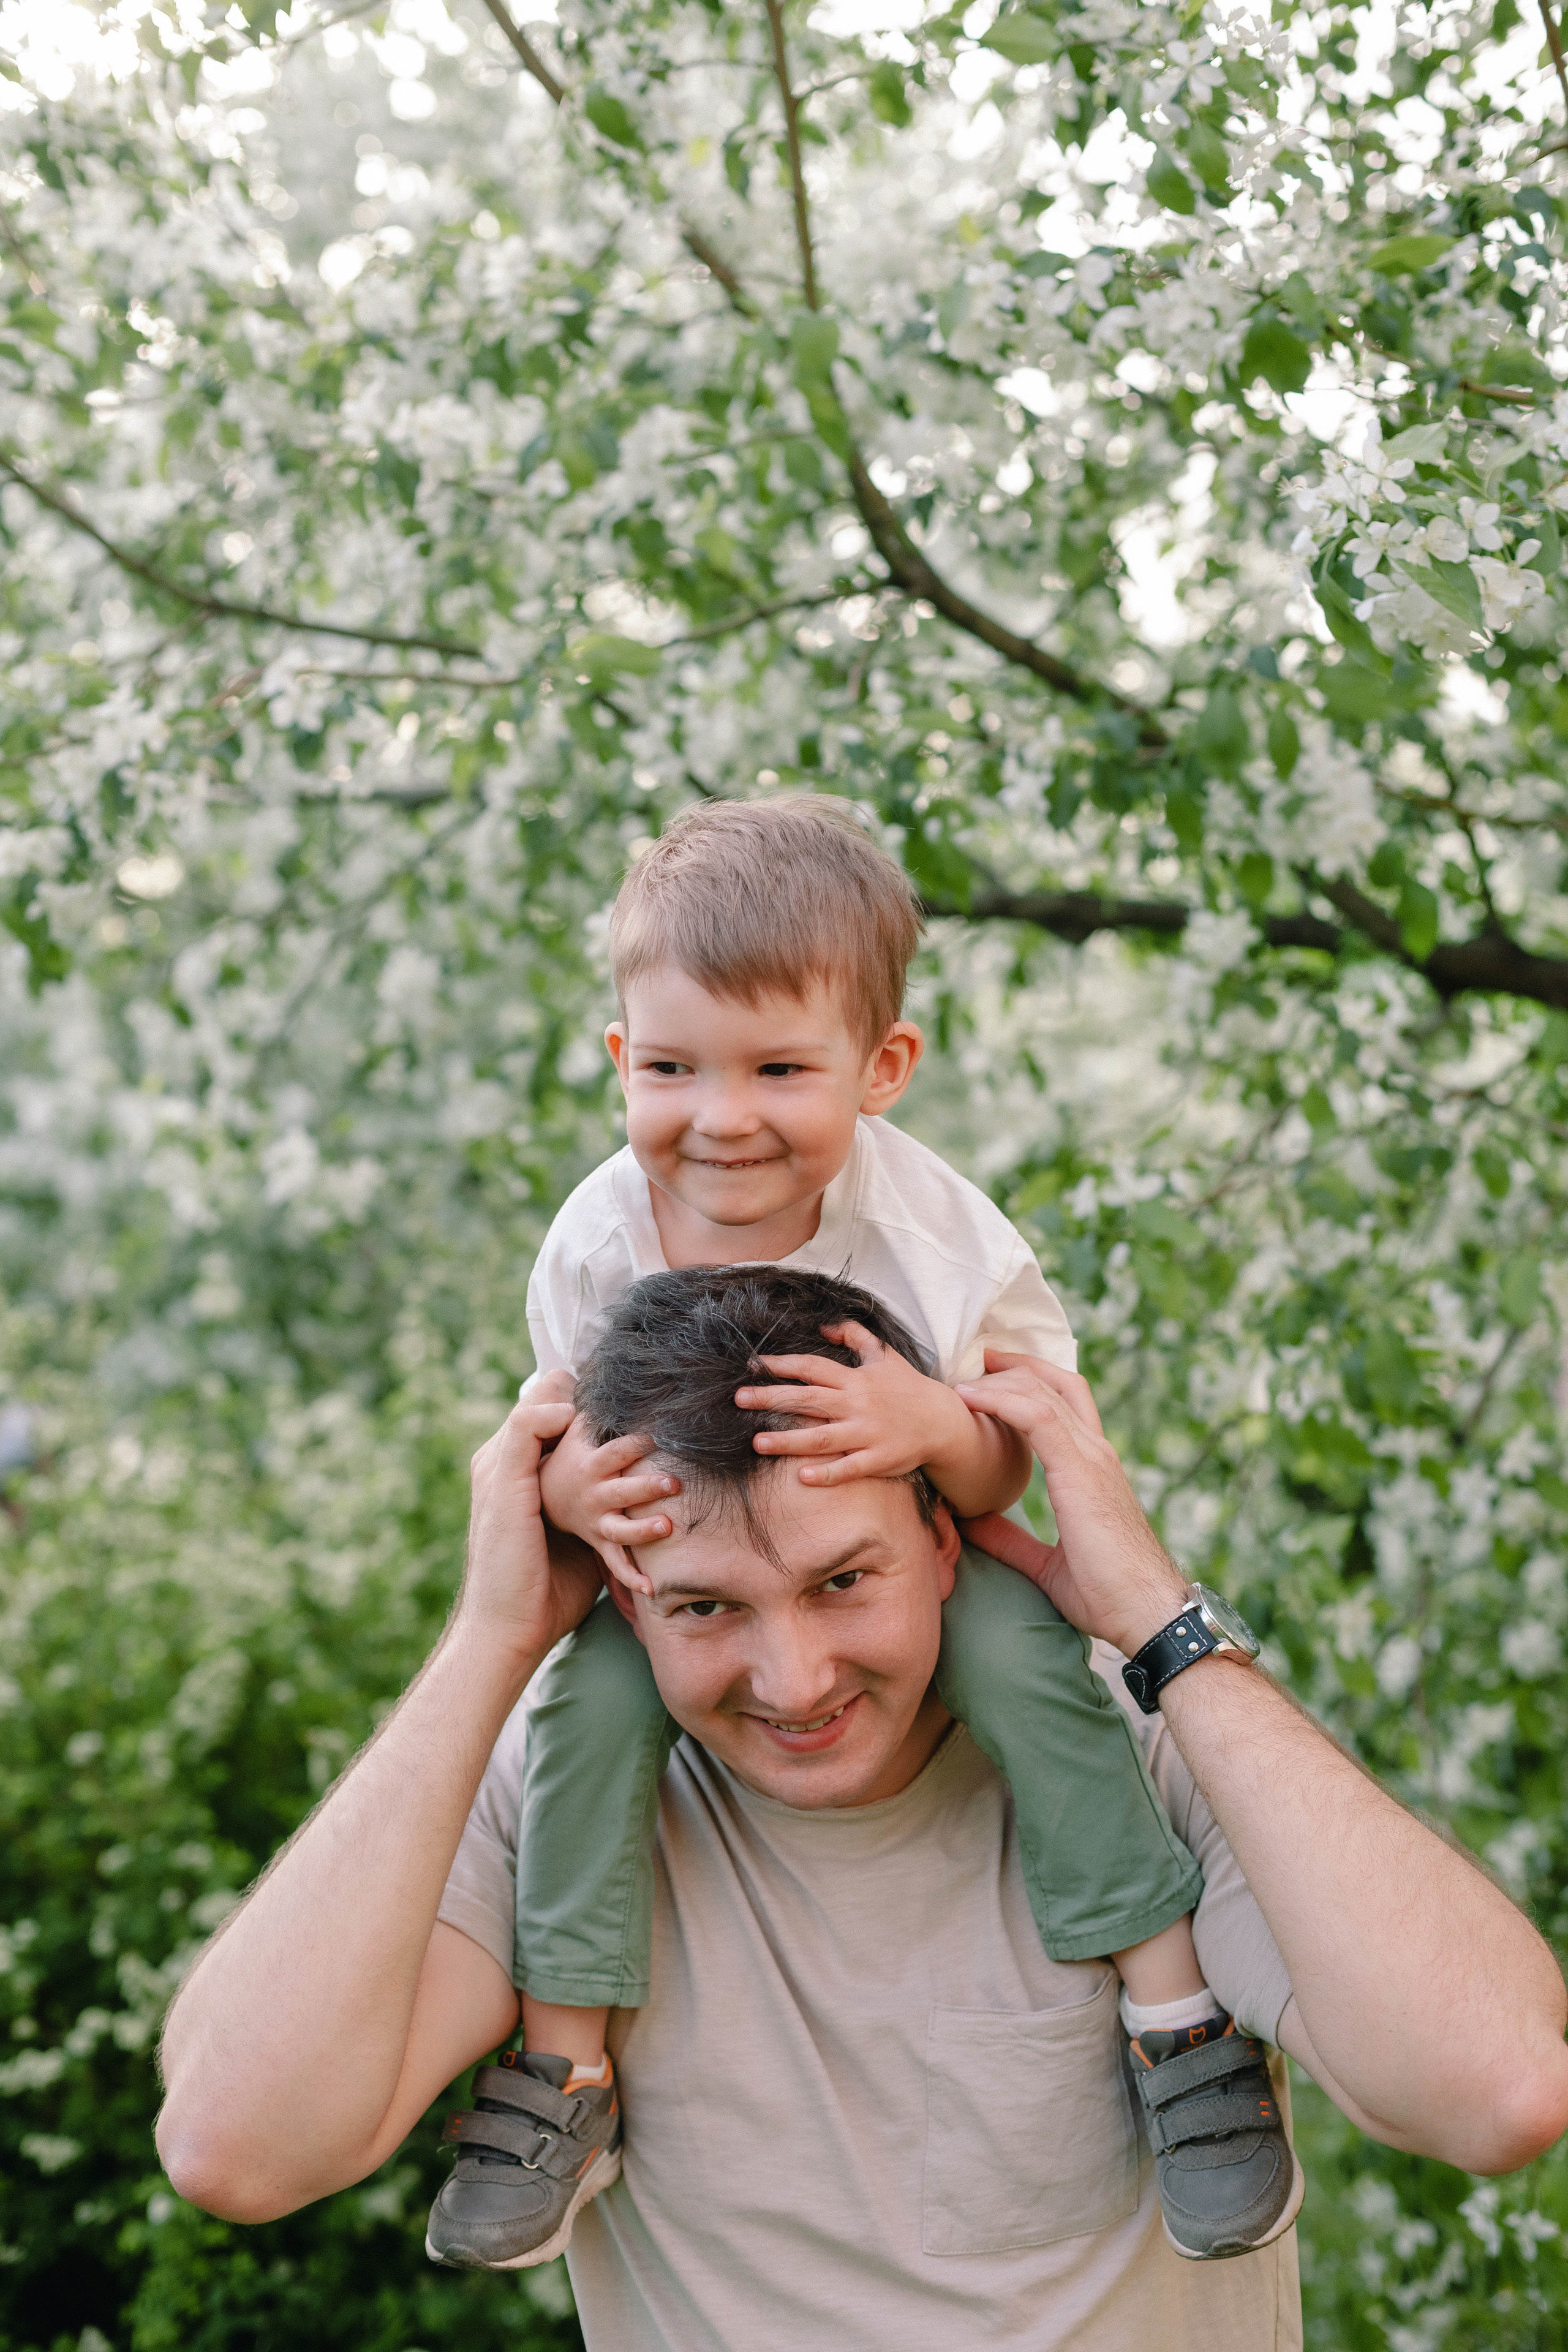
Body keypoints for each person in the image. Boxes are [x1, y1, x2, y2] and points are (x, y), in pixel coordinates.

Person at [154, 1267, 1568, 2352]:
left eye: (842, 1582)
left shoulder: (1138, 1746)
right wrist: (487, 1641)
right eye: (701, 1608)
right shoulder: (569, 1791)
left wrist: (1157, 1621)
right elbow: (236, 2144)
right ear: (621, 1601)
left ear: (945, 1535)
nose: (794, 1681)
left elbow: (1495, 2087)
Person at [494, 792, 1229, 2264]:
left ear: (880, 1068)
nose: (722, 1117)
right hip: (697, 1582)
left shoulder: (936, 1245)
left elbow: (1020, 1464)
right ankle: (562, 2068)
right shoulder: (597, 1239)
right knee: (582, 1707)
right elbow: (560, 1434)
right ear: (619, 1060)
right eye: (672, 1068)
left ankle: (1174, 2018)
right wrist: (569, 1497)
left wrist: (936, 1430)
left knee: (1029, 1670)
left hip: (905, 1566)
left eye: (779, 1067)